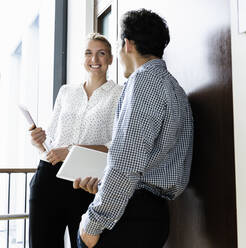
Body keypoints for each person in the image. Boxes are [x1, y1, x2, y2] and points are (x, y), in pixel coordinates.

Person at [76, 9, 194, 248]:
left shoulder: (143, 81)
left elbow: (126, 163)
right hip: (152, 216)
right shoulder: (175, 89)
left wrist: (92, 223)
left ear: (127, 44)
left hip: (129, 217)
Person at [28, 33, 122, 248]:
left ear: (110, 59)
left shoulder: (119, 94)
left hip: (86, 183)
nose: (94, 59)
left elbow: (115, 146)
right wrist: (38, 141)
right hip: (49, 177)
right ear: (83, 59)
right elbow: (51, 139)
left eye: (101, 53)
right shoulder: (66, 92)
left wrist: (72, 150)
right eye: (88, 53)